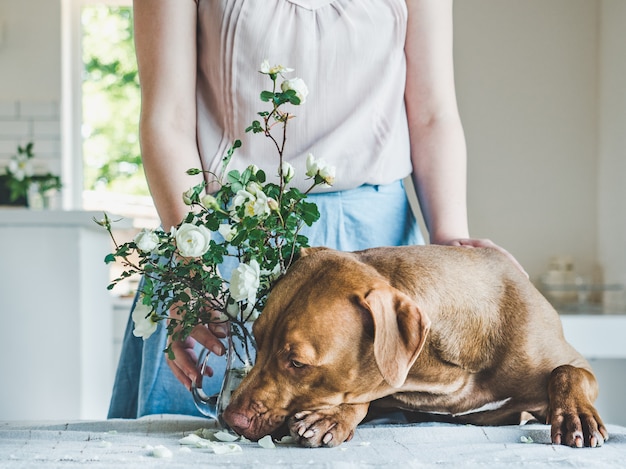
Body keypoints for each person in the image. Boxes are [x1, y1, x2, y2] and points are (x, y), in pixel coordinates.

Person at [108, 0, 525, 419]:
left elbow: (433, 115)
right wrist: (189, 265)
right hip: (219, 245)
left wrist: (449, 238)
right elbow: (167, 119)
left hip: (377, 247)